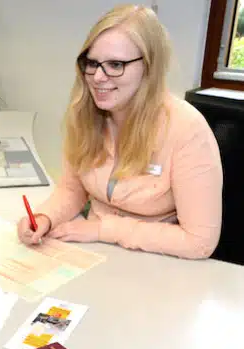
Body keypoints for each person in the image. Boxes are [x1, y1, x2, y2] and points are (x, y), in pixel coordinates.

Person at [18, 5, 222, 260]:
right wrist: (44, 217)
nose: (98, 77)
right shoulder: (85, 114)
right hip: (91, 253)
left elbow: (199, 242)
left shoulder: (187, 129)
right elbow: (73, 189)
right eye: (92, 63)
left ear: (149, 67)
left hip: (158, 262)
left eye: (115, 64)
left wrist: (105, 230)